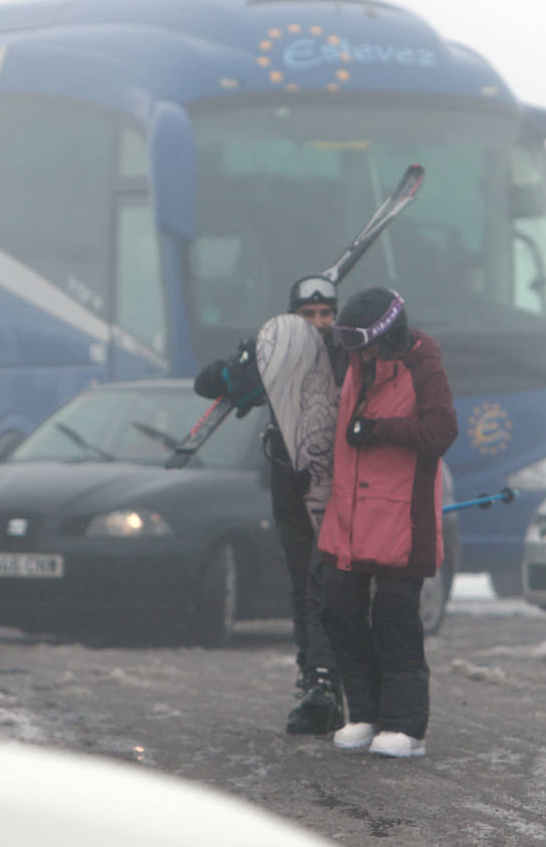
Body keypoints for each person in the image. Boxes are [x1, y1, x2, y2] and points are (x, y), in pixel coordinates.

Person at [194, 274, 350, 735]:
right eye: (308, 315)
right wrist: (242, 363)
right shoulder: (278, 355)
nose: (319, 323)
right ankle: (311, 680)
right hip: (288, 482)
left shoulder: (345, 352)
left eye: (326, 314)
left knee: (329, 583)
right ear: (293, 317)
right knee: (303, 585)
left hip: (337, 486)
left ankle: (328, 681)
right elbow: (208, 384)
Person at [318, 287, 457, 759]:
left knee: (395, 621)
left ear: (387, 334)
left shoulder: (422, 362)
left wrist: (378, 430)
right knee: (341, 613)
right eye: (348, 344)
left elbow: (441, 431)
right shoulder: (357, 360)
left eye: (362, 342)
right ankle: (364, 714)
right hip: (351, 516)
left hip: (403, 517)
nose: (356, 353)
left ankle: (406, 726)